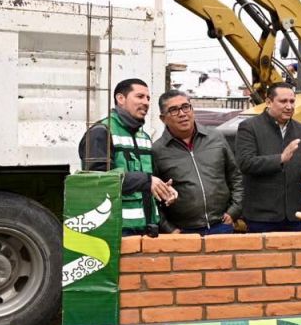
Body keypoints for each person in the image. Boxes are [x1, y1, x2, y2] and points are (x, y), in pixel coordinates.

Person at [78, 78, 176, 236]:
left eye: (148, 98)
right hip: (116, 229)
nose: (146, 102)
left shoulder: (143, 137)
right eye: (140, 96)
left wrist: (163, 189)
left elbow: (147, 180)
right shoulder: (101, 132)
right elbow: (96, 180)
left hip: (147, 229)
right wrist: (146, 181)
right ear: (120, 99)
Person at [152, 91, 242, 235]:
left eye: (186, 107)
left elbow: (235, 176)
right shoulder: (157, 151)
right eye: (174, 110)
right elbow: (152, 198)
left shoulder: (216, 138)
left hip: (221, 225)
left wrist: (234, 211)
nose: (182, 114)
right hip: (184, 232)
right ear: (163, 118)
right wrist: (169, 229)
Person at [236, 83, 301, 232]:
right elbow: (246, 163)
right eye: (283, 101)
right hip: (262, 216)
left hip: (294, 215)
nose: (289, 106)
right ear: (268, 102)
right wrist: (280, 159)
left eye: (292, 101)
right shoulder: (249, 127)